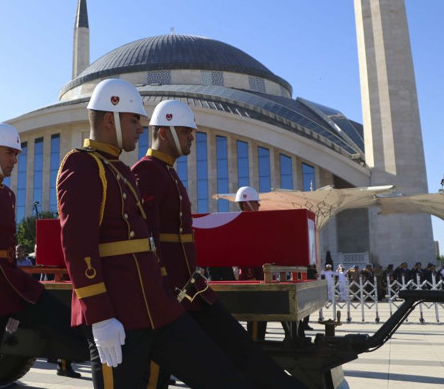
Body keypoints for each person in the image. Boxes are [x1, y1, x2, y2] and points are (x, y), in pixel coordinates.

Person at [57, 78, 254, 388]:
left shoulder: (120, 170)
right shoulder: (81, 165)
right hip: (117, 314)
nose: (141, 127)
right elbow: (77, 244)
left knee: (224, 376)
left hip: (155, 308)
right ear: (110, 119)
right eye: (135, 119)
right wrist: (99, 314)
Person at [133, 99, 304, 389]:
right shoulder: (146, 172)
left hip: (190, 291)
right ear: (164, 133)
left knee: (245, 352)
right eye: (187, 131)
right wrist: (163, 295)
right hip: (169, 299)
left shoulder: (168, 173)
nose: (192, 137)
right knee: (219, 373)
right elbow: (147, 243)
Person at [0, 123, 87, 388]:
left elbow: (7, 254)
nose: (15, 159)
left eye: (17, 154)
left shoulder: (8, 195)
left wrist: (13, 304)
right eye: (9, 152)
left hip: (11, 287)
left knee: (64, 321)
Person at [233, 185, 267, 341]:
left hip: (261, 279)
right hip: (252, 281)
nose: (259, 205)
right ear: (246, 203)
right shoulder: (242, 224)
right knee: (254, 326)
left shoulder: (256, 223)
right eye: (256, 202)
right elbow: (245, 255)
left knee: (261, 323)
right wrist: (252, 279)